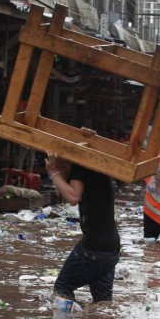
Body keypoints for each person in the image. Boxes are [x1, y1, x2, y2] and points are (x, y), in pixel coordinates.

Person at [44, 128, 121, 303]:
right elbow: (64, 188)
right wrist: (57, 171)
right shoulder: (97, 165)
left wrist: (53, 172)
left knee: (62, 288)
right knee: (102, 304)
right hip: (111, 249)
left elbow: (72, 197)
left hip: (93, 249)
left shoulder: (81, 164)